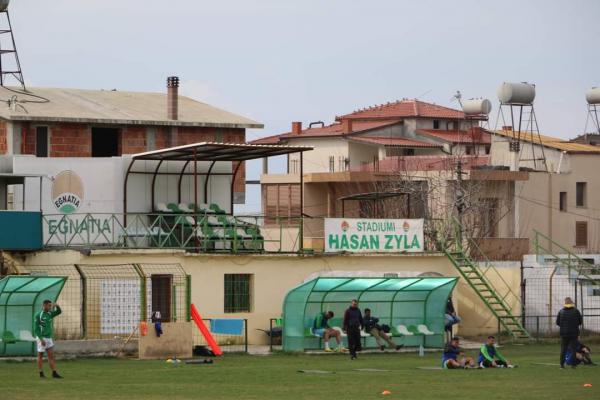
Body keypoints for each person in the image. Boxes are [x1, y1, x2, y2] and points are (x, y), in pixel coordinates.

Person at [34, 300, 63, 379]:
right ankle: (41, 373)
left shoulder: (50, 314)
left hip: (49, 338)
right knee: (40, 355)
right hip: (42, 338)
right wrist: (41, 339)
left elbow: (59, 312)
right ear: (44, 305)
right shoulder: (38, 315)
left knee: (51, 356)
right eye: (49, 305)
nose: (50, 307)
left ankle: (54, 373)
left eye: (51, 305)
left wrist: (57, 305)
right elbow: (36, 329)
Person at [556, 297, 583, 369]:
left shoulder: (561, 311)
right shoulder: (576, 311)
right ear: (571, 303)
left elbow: (558, 323)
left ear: (565, 303)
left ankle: (562, 365)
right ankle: (573, 365)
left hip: (564, 334)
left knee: (563, 349)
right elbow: (580, 322)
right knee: (573, 349)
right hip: (574, 334)